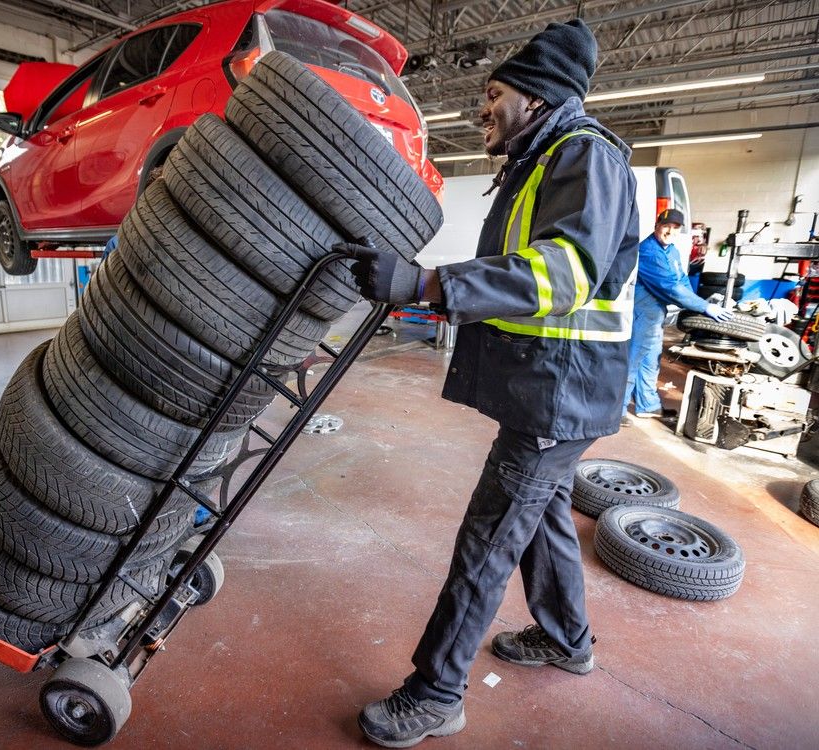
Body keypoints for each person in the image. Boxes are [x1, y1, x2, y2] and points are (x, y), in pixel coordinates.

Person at [334, 19, 639, 747]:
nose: (481, 108)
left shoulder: (583, 157)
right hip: (553, 389)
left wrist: (431, 284)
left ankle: (436, 692)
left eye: (493, 93)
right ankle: (569, 640)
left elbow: (563, 274)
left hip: (557, 394)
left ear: (536, 98)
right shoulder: (540, 161)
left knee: (489, 538)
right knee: (543, 521)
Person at [622, 209, 732, 420]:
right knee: (633, 361)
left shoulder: (671, 251)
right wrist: (704, 308)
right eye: (666, 226)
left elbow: (681, 280)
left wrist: (696, 303)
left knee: (651, 360)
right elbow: (670, 287)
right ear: (657, 226)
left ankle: (648, 405)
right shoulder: (648, 251)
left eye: (675, 228)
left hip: (655, 316)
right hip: (642, 314)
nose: (670, 231)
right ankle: (617, 411)